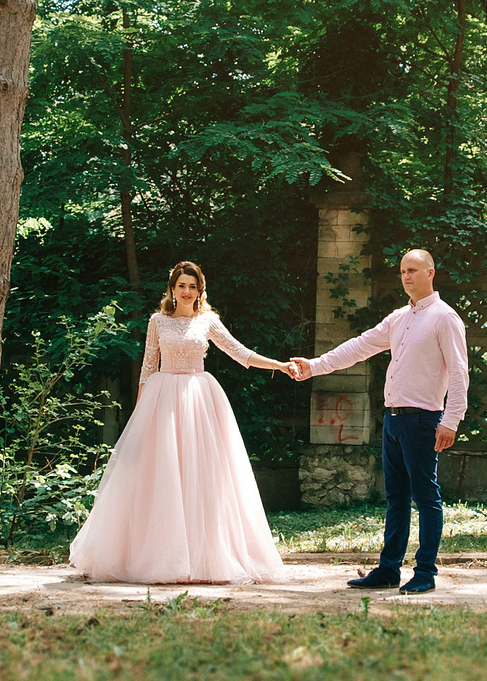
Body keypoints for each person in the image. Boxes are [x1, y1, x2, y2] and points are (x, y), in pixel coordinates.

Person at [69, 260, 292, 585]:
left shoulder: (208, 321)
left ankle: (206, 558)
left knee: (202, 478)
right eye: (181, 285)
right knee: (161, 478)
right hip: (163, 401)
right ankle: (155, 557)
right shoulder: (158, 321)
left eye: (192, 286)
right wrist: (140, 418)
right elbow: (147, 367)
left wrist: (278, 365)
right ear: (172, 289)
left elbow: (239, 352)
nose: (187, 291)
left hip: (200, 401)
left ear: (200, 290)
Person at [288, 248, 466, 595]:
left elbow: (459, 372)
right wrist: (316, 365)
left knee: (426, 497)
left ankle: (426, 572)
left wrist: (452, 419)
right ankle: (388, 570)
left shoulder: (445, 318)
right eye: (402, 271)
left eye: (413, 270)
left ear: (431, 273)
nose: (407, 277)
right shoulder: (399, 318)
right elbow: (359, 346)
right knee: (395, 497)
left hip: (425, 420)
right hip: (394, 420)